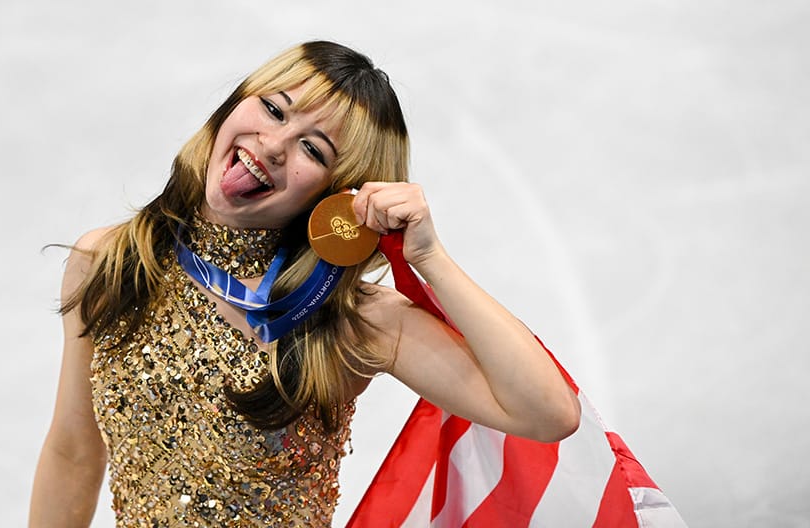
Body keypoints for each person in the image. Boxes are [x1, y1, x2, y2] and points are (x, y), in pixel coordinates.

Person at [29, 40, 580, 527]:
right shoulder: (112, 259)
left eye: (313, 149)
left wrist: (430, 259)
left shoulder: (350, 322)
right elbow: (74, 452)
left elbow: (548, 413)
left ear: (338, 196)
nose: (272, 145)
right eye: (273, 109)